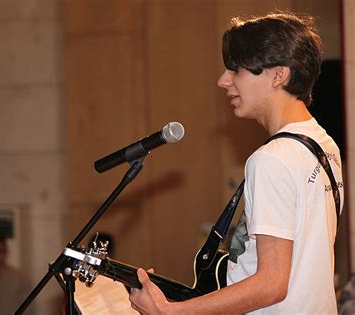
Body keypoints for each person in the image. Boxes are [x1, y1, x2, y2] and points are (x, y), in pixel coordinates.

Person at [129, 11, 344, 314]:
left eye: (237, 70)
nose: (223, 80)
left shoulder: (271, 159)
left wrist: (171, 311)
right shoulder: (324, 145)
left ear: (278, 75)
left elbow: (272, 283)